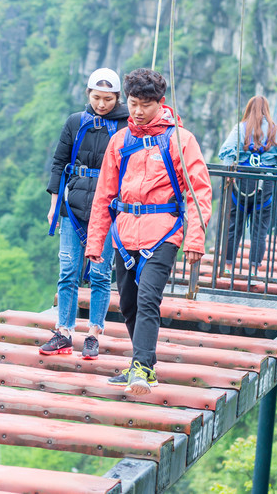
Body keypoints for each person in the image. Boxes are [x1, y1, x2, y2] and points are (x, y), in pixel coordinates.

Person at [85, 68, 212, 395]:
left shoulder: (180, 140)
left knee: (147, 299)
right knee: (127, 304)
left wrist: (195, 240)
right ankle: (142, 367)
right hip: (124, 233)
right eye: (133, 103)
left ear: (161, 103)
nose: (138, 111)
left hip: (163, 232)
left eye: (145, 104)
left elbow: (199, 192)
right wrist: (95, 243)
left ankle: (140, 368)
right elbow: (104, 194)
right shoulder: (120, 141)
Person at [42, 68, 129, 359]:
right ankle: (64, 331)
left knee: (100, 274)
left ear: (117, 98)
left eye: (108, 99)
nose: (101, 104)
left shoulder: (126, 125)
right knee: (68, 271)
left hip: (106, 209)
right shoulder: (76, 122)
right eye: (96, 98)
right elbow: (59, 162)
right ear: (88, 95)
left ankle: (94, 332)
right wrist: (55, 204)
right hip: (73, 204)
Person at [216, 95, 277, 274]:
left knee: (233, 225)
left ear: (248, 109)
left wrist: (229, 171)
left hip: (241, 181)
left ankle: (228, 266)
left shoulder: (240, 129)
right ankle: (253, 268)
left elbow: (227, 151)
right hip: (265, 182)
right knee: (260, 229)